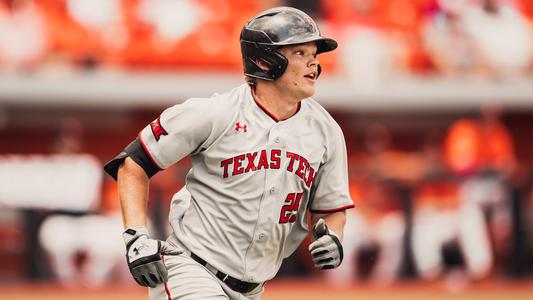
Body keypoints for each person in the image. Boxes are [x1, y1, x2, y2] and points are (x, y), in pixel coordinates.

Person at [104, 7, 353, 300]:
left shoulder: (327, 131)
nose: (314, 62)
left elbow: (330, 210)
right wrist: (136, 237)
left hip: (254, 288)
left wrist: (334, 237)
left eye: (314, 53)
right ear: (264, 61)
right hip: (191, 270)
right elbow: (133, 162)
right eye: (300, 53)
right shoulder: (214, 113)